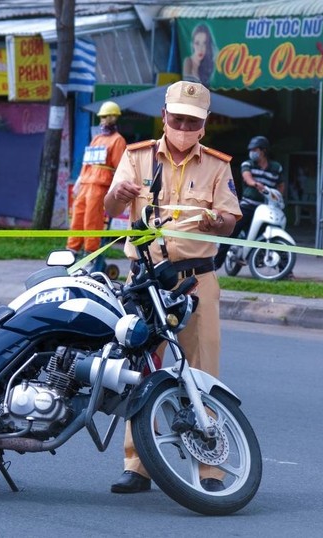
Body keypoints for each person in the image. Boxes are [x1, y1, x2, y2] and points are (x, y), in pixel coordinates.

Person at [104, 81, 241, 494]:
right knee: (139, 371)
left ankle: (210, 469)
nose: (183, 126)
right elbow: (110, 207)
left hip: (196, 278)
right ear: (164, 115)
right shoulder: (136, 156)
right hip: (144, 278)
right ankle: (138, 464)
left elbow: (230, 219)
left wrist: (217, 223)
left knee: (202, 372)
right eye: (177, 118)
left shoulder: (217, 165)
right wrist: (118, 193)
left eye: (192, 121)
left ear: (204, 125)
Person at [214, 135, 284, 270]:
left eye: (255, 149)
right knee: (232, 232)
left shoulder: (276, 167)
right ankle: (215, 266)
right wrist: (255, 184)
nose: (252, 152)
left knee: (273, 236)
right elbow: (247, 178)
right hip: (248, 206)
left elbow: (281, 185)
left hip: (266, 208)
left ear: (263, 150)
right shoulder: (247, 164)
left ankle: (284, 269)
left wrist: (278, 195)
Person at [66, 101, 127, 255]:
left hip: (100, 185)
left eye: (105, 117)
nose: (102, 120)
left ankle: (90, 251)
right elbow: (87, 162)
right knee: (77, 216)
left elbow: (120, 166)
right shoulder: (97, 139)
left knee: (92, 219)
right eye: (102, 117)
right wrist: (79, 181)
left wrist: (116, 189)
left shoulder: (118, 140)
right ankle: (72, 248)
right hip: (86, 182)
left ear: (114, 118)